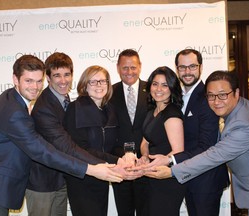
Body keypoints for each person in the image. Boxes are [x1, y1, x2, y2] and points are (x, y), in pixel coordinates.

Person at [0, 55, 123, 216]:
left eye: (38, 81)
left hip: (57, 180)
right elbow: (44, 150)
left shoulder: (12, 98)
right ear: (15, 79)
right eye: (29, 81)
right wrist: (92, 169)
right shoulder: (16, 112)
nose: (35, 86)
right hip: (7, 185)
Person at [145, 71, 249, 216]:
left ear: (236, 93)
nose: (216, 101)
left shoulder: (243, 126)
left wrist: (172, 171)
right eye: (211, 96)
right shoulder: (241, 106)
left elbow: (214, 155)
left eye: (223, 95)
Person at [139, 49, 230, 215]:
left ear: (201, 67)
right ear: (177, 69)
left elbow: (206, 146)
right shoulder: (178, 97)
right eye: (182, 67)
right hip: (185, 174)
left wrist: (169, 159)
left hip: (205, 178)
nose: (187, 71)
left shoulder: (207, 98)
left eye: (192, 66)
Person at [63, 65, 124, 216]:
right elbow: (80, 148)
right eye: (93, 81)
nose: (99, 85)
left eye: (103, 81)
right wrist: (116, 160)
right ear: (84, 85)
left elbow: (114, 144)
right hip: (82, 178)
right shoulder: (75, 108)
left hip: (103, 175)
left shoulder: (109, 109)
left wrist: (125, 155)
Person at [140, 66, 186, 216]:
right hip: (151, 176)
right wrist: (145, 157)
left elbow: (178, 151)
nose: (159, 88)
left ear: (172, 88)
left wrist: (162, 161)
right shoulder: (152, 111)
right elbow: (144, 142)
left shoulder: (172, 114)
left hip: (166, 179)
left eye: (165, 85)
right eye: (155, 83)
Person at [110, 49, 149, 216]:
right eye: (125, 68)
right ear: (118, 68)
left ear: (140, 67)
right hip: (120, 165)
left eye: (133, 67)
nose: (129, 72)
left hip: (146, 165)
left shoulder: (154, 90)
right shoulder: (109, 92)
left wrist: (147, 156)